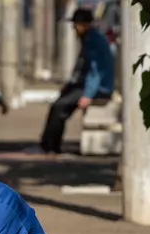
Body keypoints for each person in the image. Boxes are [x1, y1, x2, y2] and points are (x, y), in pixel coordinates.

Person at [30, 8, 114, 155]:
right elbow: (82, 68)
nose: (74, 28)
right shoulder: (89, 38)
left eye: (76, 24)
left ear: (84, 24)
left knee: (60, 107)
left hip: (98, 88)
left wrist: (87, 95)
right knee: (57, 104)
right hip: (87, 85)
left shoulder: (94, 41)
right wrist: (69, 85)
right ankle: (47, 144)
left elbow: (95, 72)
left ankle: (50, 146)